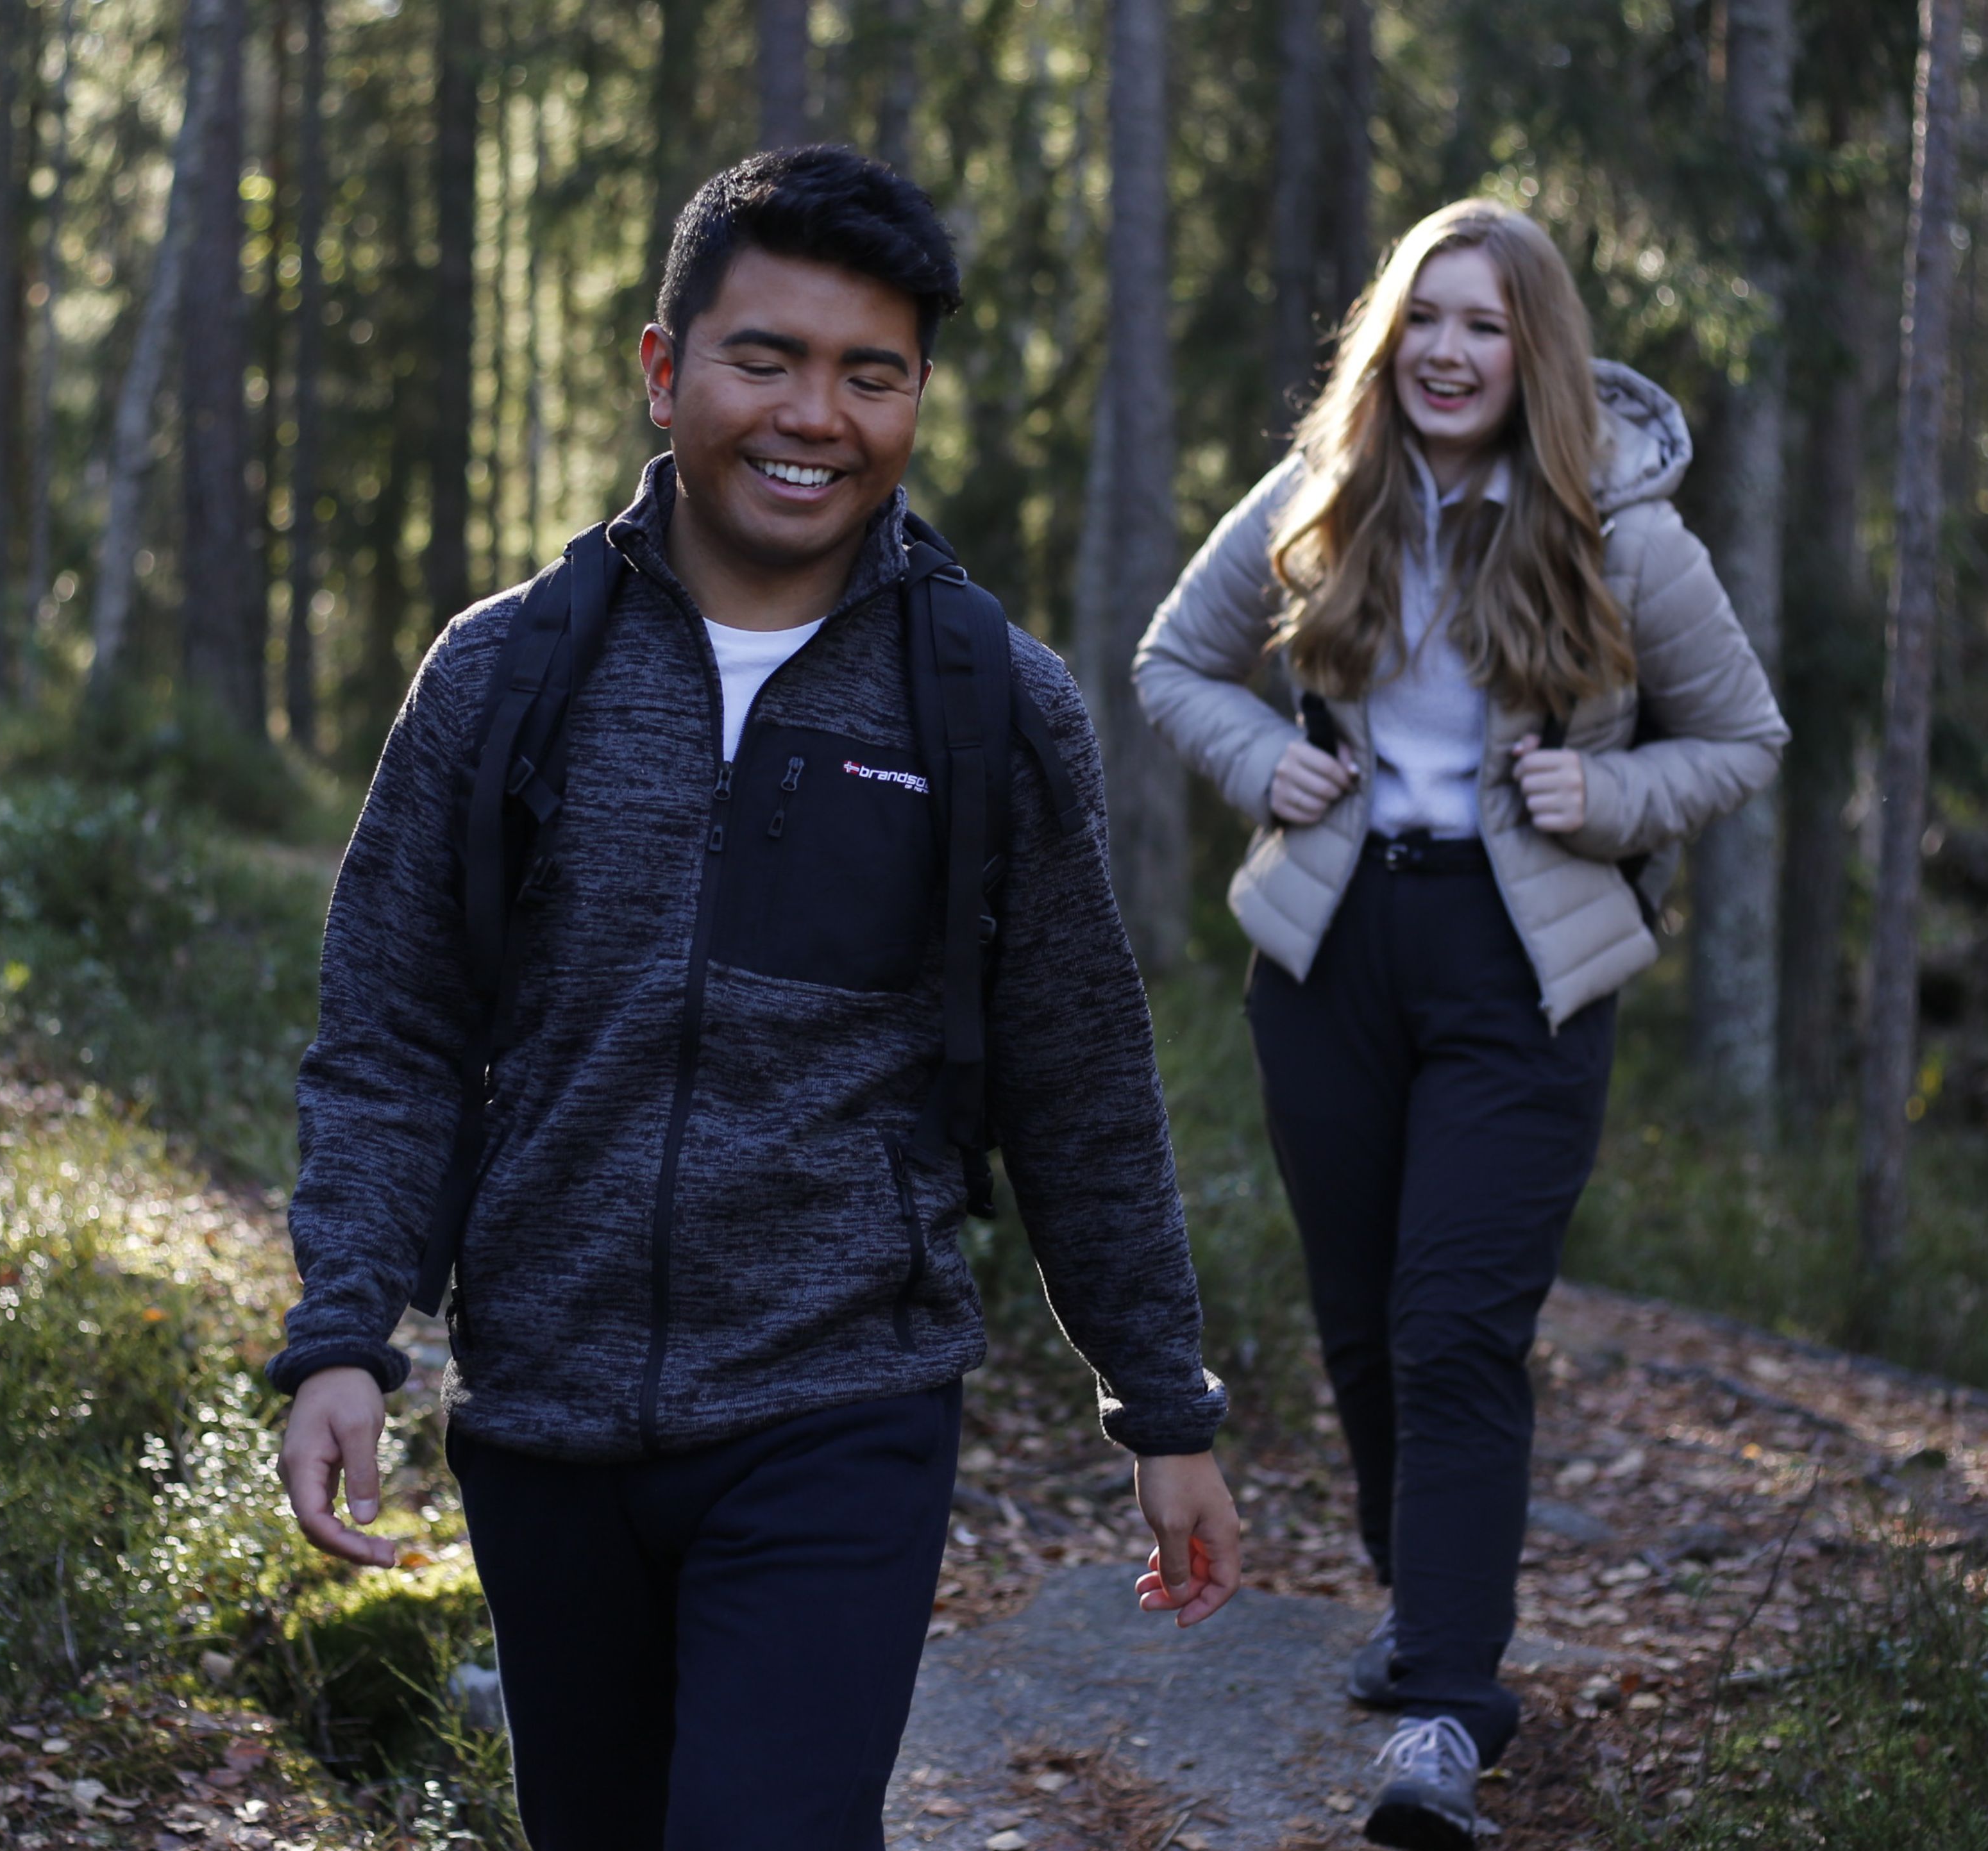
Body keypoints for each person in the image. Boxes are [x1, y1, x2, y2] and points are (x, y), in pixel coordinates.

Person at [271, 146, 1243, 1851]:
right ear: (666, 371)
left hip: (838, 1408)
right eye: (766, 359)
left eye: (871, 374)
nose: (815, 416)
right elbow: (394, 1036)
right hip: (545, 1413)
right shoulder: (505, 673)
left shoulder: (988, 706)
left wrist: (1161, 1406)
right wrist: (345, 1331)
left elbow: (1078, 1079)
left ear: (916, 399)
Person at [1133, 200, 1785, 1850]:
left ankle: (1443, 1706)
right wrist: (1265, 763)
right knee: (1362, 1327)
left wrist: (1607, 796)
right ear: (1388, 338)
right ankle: (1421, 1600)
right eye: (1424, 318)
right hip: (1332, 955)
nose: (1447, 350)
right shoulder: (1319, 493)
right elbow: (1173, 663)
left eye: (1484, 324)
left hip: (1523, 964)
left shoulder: (1622, 531)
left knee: (1454, 1330)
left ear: (1532, 350)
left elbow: (1744, 736)